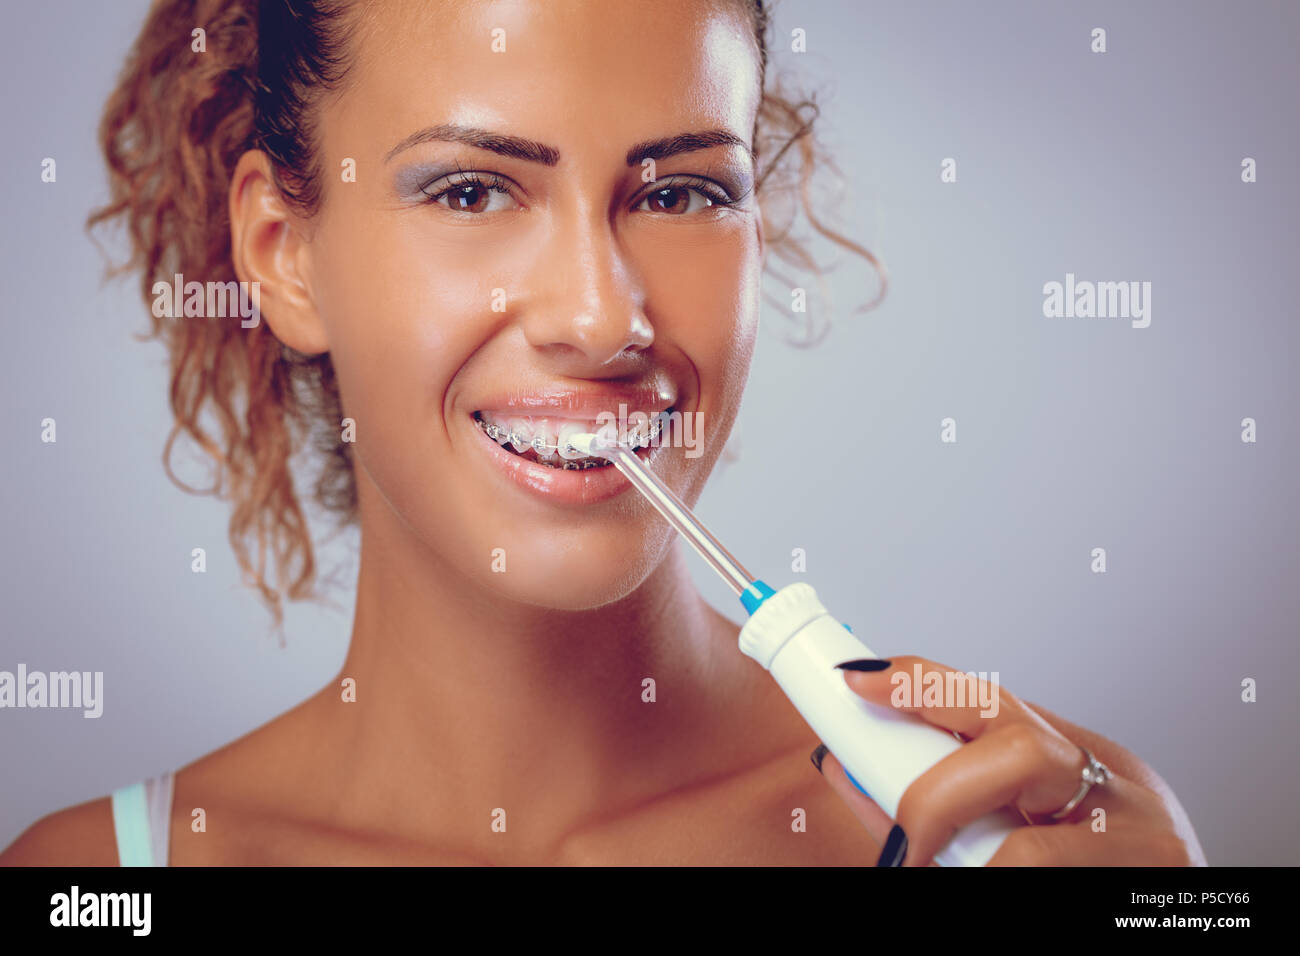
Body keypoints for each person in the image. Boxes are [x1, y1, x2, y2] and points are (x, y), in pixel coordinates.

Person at [2, 0, 1204, 866]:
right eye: (471, 190)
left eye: (681, 192)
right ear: (284, 256)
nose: (600, 317)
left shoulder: (1037, 828)